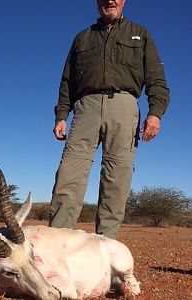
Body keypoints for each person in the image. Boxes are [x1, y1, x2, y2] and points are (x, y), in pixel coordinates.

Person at [48, 0, 170, 239]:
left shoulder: (140, 33)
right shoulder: (82, 38)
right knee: (68, 174)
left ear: (124, 1)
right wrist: (62, 115)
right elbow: (67, 82)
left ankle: (106, 243)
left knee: (117, 177)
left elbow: (156, 79)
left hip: (125, 106)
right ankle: (57, 241)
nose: (110, 1)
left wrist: (155, 113)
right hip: (85, 108)